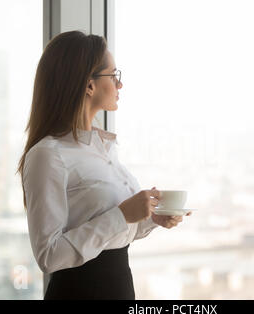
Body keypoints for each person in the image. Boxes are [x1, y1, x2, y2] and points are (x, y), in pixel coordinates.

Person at [16, 30, 191, 300]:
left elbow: (112, 235)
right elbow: (48, 255)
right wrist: (122, 215)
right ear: (89, 85)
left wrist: (150, 218)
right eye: (113, 75)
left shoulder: (103, 148)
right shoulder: (47, 155)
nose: (119, 85)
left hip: (119, 289)